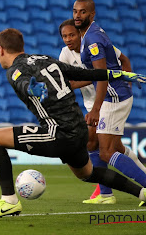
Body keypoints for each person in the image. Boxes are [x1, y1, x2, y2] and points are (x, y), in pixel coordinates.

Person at [0, 28, 146, 219]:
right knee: (87, 173)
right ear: (21, 46)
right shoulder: (45, 59)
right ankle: (142, 193)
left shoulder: (15, 70)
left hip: (57, 134)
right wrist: (119, 74)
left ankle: (9, 202)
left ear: (0, 50)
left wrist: (31, 89)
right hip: (79, 132)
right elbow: (85, 73)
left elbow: (22, 82)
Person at [59, 19, 146, 204]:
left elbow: (118, 63)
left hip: (107, 100)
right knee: (99, 146)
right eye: (64, 36)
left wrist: (126, 81)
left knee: (104, 149)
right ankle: (105, 194)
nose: (68, 39)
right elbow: (66, 81)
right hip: (94, 103)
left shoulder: (93, 45)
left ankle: (113, 192)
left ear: (80, 34)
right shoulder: (65, 54)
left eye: (71, 35)